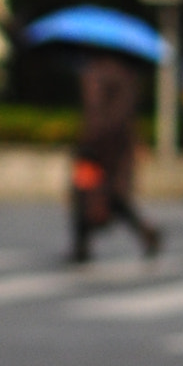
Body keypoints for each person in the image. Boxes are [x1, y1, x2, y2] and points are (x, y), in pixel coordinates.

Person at [70, 49, 164, 262]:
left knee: (88, 194)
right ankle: (144, 234)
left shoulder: (96, 74)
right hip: (119, 147)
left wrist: (88, 140)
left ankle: (82, 246)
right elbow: (127, 115)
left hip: (98, 147)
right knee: (114, 197)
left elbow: (96, 113)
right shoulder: (127, 75)